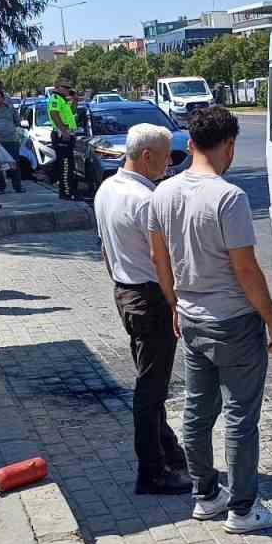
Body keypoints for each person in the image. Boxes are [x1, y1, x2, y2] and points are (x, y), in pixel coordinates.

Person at [148, 106, 272, 533]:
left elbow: (160, 259)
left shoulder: (163, 193)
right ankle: (244, 509)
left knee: (197, 411)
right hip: (233, 323)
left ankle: (207, 496)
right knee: (241, 417)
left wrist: (175, 305)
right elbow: (247, 271)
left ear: (191, 143)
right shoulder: (229, 198)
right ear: (229, 144)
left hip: (190, 317)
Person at [95, 123, 190, 495]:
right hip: (150, 298)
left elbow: (104, 249)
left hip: (126, 292)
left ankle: (169, 452)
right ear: (147, 156)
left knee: (151, 382)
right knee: (150, 389)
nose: (171, 164)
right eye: (167, 157)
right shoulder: (146, 200)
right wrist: (175, 305)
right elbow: (163, 259)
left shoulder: (108, 189)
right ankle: (152, 470)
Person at [0, 83, 26, 193]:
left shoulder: (10, 109)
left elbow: (17, 122)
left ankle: (17, 186)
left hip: (11, 140)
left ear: (3, 98)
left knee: (14, 164)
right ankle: (0, 188)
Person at [47, 81, 80, 200]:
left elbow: (72, 113)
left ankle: (68, 191)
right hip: (62, 135)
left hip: (67, 134)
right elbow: (54, 113)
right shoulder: (55, 98)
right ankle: (66, 193)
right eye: (65, 87)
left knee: (69, 165)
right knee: (65, 165)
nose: (67, 89)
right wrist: (64, 131)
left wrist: (75, 100)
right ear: (57, 88)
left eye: (69, 88)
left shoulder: (63, 100)